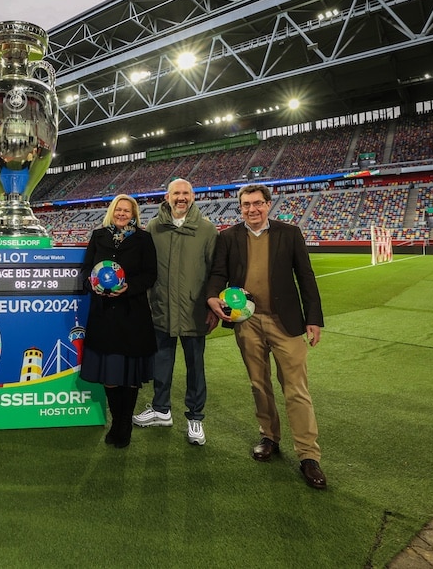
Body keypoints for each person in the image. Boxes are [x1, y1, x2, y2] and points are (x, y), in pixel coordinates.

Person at [205, 183, 328, 489]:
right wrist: (211, 297)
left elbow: (306, 276)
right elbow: (219, 273)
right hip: (248, 322)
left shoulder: (289, 233)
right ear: (240, 207)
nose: (252, 209)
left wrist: (313, 318)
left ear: (268, 204)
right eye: (246, 205)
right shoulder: (229, 237)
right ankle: (269, 437)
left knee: (296, 389)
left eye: (257, 204)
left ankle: (308, 455)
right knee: (259, 385)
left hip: (285, 322)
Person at [134, 178, 218, 445]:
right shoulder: (153, 227)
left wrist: (212, 306)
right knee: (161, 363)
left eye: (186, 193)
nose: (181, 197)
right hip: (161, 309)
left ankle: (195, 418)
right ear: (167, 196)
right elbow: (147, 269)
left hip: (194, 311)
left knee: (196, 368)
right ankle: (161, 410)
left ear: (192, 196)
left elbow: (215, 272)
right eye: (176, 193)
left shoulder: (206, 229)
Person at [79, 194, 158, 448]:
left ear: (134, 214)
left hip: (133, 315)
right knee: (110, 375)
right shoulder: (98, 236)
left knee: (130, 376)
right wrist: (94, 286)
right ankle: (117, 421)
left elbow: (150, 274)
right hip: (104, 316)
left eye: (127, 211)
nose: (122, 214)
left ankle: (125, 425)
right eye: (119, 210)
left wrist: (129, 287)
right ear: (112, 212)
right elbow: (85, 271)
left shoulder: (144, 239)